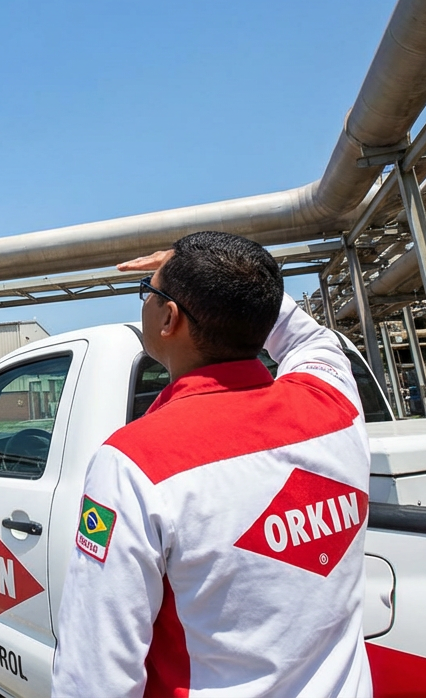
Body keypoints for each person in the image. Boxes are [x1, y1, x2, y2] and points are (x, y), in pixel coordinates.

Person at [52, 231, 371, 697]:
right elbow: (310, 338)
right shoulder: (334, 404)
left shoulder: (135, 462)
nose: (144, 300)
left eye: (149, 291)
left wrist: (209, 273)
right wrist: (227, 277)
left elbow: (95, 672)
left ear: (169, 317)